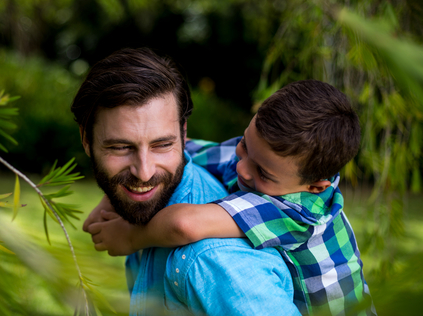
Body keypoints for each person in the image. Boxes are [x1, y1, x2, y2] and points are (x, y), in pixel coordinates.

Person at [88, 80, 377, 316]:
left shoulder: (297, 210)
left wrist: (129, 237)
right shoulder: (265, 160)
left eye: (262, 173)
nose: (242, 168)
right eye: (243, 145)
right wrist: (115, 196)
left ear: (315, 185)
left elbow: (184, 225)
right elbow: (173, 150)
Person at [74, 47, 300, 315]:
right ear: (86, 140)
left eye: (161, 145)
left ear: (182, 134)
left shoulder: (212, 261)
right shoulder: (144, 206)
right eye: (121, 148)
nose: (144, 173)